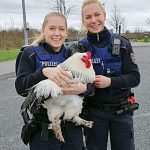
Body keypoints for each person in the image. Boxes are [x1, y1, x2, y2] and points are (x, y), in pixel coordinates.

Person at [15, 12, 89, 150]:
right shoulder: (30, 53)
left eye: (61, 29)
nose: (57, 33)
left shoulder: (72, 54)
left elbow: (90, 85)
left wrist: (84, 89)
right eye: (52, 28)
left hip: (72, 130)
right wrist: (43, 72)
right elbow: (20, 87)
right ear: (43, 30)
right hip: (44, 131)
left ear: (66, 32)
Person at [78, 0, 140, 150]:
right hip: (94, 113)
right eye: (88, 17)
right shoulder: (79, 48)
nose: (93, 20)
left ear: (104, 15)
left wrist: (110, 82)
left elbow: (135, 77)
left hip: (121, 111)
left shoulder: (122, 43)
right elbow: (76, 83)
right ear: (83, 20)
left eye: (97, 14)